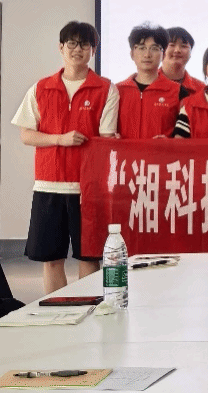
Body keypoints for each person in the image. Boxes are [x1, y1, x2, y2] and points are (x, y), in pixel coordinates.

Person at [10, 21, 119, 293]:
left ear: (93, 50)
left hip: (88, 188)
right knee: (51, 259)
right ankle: (56, 311)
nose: (77, 49)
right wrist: (59, 139)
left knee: (89, 257)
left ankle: (88, 311)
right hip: (48, 185)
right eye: (71, 43)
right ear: (61, 47)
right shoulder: (41, 88)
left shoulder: (106, 89)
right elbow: (26, 134)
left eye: (85, 44)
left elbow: (106, 138)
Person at [116, 23, 188, 139]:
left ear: (163, 54)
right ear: (132, 54)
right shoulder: (116, 91)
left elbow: (187, 135)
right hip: (124, 152)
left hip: (162, 151)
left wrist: (171, 142)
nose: (147, 54)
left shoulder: (178, 92)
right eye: (141, 48)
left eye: (154, 48)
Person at [160, 26, 204, 94]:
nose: (177, 50)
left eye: (184, 46)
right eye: (172, 45)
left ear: (190, 54)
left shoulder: (201, 89)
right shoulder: (145, 83)